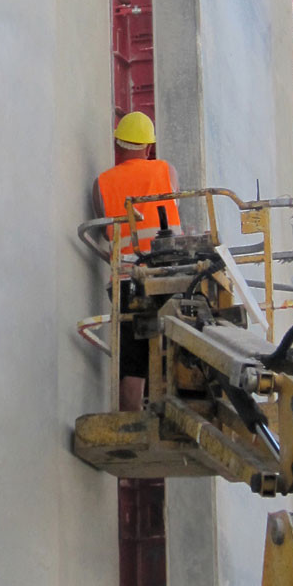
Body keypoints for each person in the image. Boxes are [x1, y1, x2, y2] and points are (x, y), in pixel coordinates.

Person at [93, 112, 181, 410]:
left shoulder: (101, 183)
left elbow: (105, 233)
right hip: (169, 278)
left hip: (126, 283)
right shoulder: (166, 171)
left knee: (132, 366)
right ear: (148, 147)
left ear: (117, 146)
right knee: (178, 354)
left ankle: (131, 424)